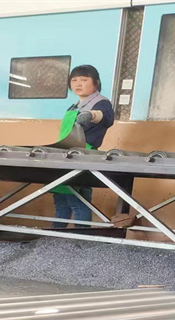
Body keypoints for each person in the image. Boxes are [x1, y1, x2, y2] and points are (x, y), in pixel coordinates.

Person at [52, 64, 115, 229]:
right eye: (74, 80)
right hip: (64, 155)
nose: (78, 84)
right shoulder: (74, 106)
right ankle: (54, 235)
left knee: (78, 201)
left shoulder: (101, 103)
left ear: (96, 82)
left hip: (82, 156)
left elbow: (105, 117)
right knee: (61, 202)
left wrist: (91, 115)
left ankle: (81, 237)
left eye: (84, 80)